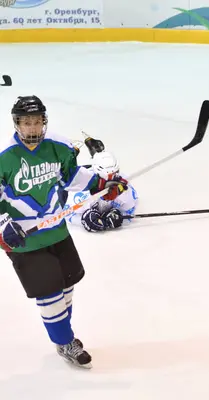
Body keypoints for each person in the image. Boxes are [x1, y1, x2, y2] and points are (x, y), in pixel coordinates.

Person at [0, 95, 128, 368]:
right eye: (26, 123)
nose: (32, 128)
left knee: (67, 283)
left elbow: (71, 177)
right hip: (24, 239)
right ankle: (65, 341)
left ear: (44, 122)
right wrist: (2, 226)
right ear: (16, 124)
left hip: (57, 230)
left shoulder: (58, 146)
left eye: (36, 122)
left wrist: (101, 183)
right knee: (49, 293)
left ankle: (62, 337)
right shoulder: (4, 156)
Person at [62, 136, 138, 232]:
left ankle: (94, 149)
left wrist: (120, 217)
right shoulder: (81, 191)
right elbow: (67, 213)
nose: (111, 179)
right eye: (107, 175)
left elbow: (130, 208)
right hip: (83, 175)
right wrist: (83, 220)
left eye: (114, 174)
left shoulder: (123, 187)